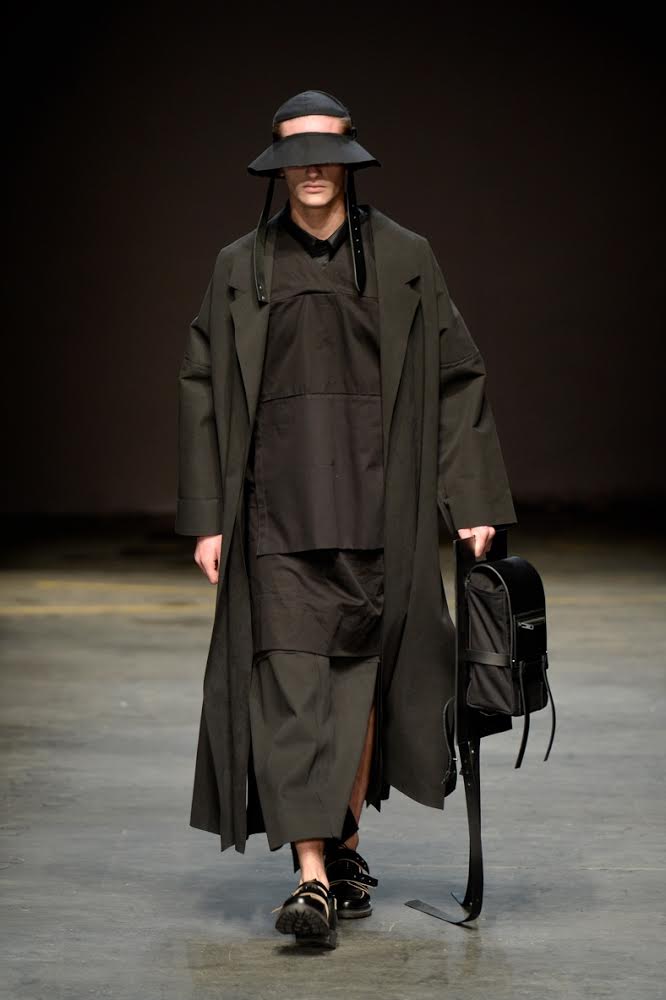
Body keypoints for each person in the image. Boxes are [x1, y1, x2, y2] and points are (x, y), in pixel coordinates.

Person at [176, 89, 517, 949]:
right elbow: (202, 388)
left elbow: (456, 376)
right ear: (277, 168)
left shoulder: (405, 258)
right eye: (297, 157)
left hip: (380, 515)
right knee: (292, 691)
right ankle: (313, 878)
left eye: (327, 154)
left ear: (349, 160)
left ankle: (344, 845)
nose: (313, 171)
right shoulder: (239, 267)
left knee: (361, 695)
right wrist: (210, 516)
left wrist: (472, 499)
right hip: (274, 519)